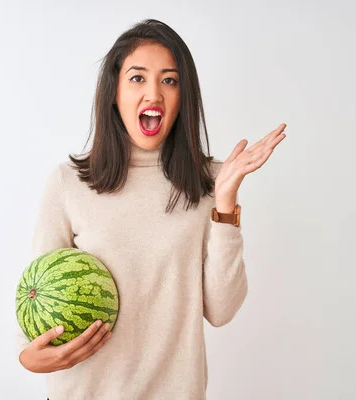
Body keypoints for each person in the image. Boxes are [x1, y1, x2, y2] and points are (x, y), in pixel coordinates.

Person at [15, 18, 286, 399]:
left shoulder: (210, 180)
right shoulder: (69, 183)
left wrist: (225, 204)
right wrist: (28, 357)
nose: (154, 94)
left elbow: (221, 311)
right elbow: (36, 292)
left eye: (169, 80)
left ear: (182, 96)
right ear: (114, 92)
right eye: (138, 78)